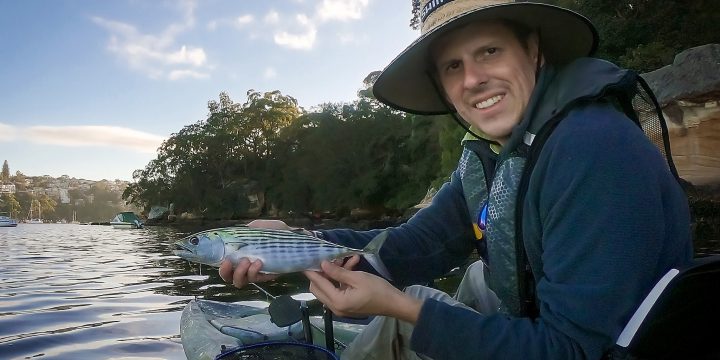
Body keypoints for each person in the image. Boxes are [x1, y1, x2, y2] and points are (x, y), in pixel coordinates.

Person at [220, 0, 694, 358]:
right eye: (453, 66)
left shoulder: (593, 147)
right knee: (475, 279)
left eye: (489, 51)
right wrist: (293, 245)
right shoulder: (490, 158)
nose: (472, 80)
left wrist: (406, 311)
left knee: (419, 306)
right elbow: (409, 248)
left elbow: (570, 350)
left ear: (533, 52)